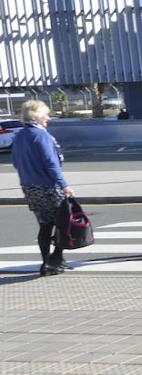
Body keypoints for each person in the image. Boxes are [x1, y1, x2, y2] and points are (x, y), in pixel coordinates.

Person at [12, 100, 75, 276]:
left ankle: (46, 261)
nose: (48, 118)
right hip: (49, 185)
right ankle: (56, 259)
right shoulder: (42, 136)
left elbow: (16, 162)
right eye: (45, 114)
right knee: (63, 222)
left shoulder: (19, 136)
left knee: (45, 224)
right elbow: (51, 164)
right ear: (37, 116)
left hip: (29, 186)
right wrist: (64, 185)